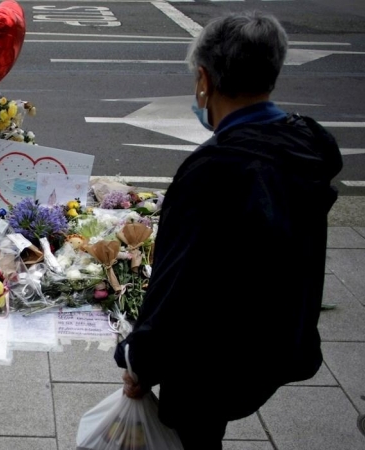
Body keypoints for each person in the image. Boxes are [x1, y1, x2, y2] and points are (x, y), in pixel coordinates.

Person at [114, 11, 342, 450]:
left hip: (213, 360)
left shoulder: (215, 170)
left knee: (195, 435)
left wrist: (138, 359)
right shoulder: (308, 142)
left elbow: (180, 284)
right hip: (275, 344)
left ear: (204, 79)